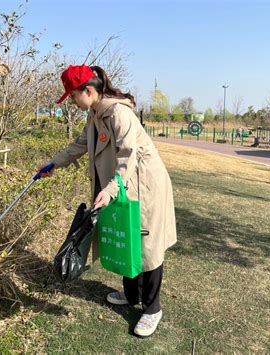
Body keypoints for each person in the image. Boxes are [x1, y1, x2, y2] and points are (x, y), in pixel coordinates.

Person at [38, 64, 177, 337]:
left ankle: (152, 309)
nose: (73, 102)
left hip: (143, 186)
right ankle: (131, 294)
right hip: (122, 185)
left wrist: (112, 188)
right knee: (126, 240)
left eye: (73, 96)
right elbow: (80, 144)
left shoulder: (118, 113)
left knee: (146, 246)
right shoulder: (95, 113)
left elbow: (128, 156)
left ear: (88, 91)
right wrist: (53, 164)